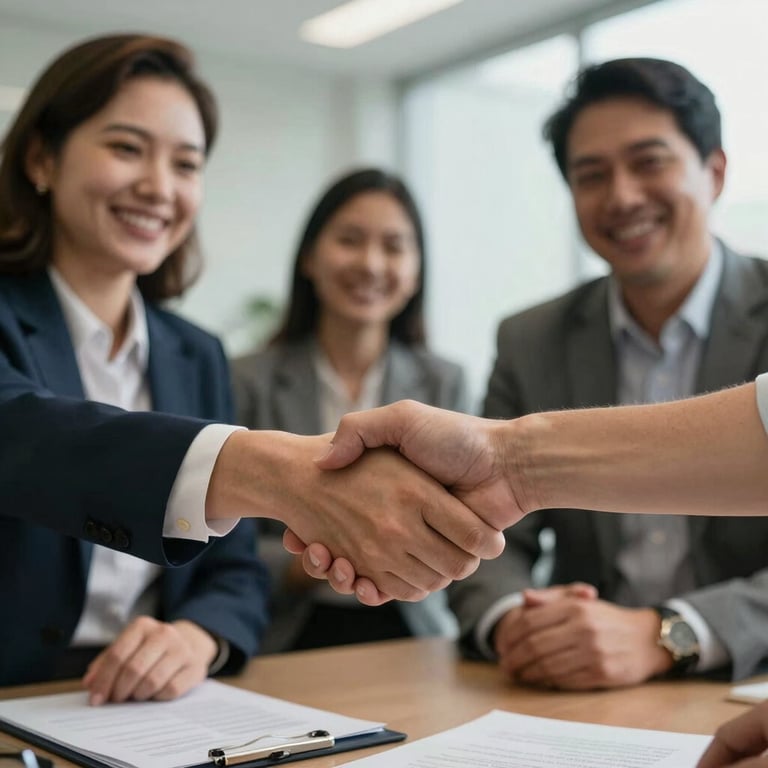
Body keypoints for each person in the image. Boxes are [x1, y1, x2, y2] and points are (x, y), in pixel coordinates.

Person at [0, 34, 504, 703]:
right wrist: (270, 472)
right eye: (126, 148)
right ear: (41, 157)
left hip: (159, 703)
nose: (159, 187)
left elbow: (232, 568)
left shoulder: (195, 352)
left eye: (186, 163)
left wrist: (197, 636)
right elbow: (23, 435)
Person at [436, 57, 768, 690]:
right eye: (592, 175)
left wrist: (669, 632)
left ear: (715, 172)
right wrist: (517, 624)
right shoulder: (530, 338)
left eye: (649, 162)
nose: (621, 197)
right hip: (580, 693)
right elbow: (479, 527)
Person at [233, 168, 464, 650]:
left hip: (411, 630)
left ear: (416, 271)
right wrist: (315, 558)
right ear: (309, 258)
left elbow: (464, 524)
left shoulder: (444, 381)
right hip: (285, 629)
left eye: (394, 246)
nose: (371, 263)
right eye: (350, 240)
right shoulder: (245, 379)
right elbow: (220, 540)